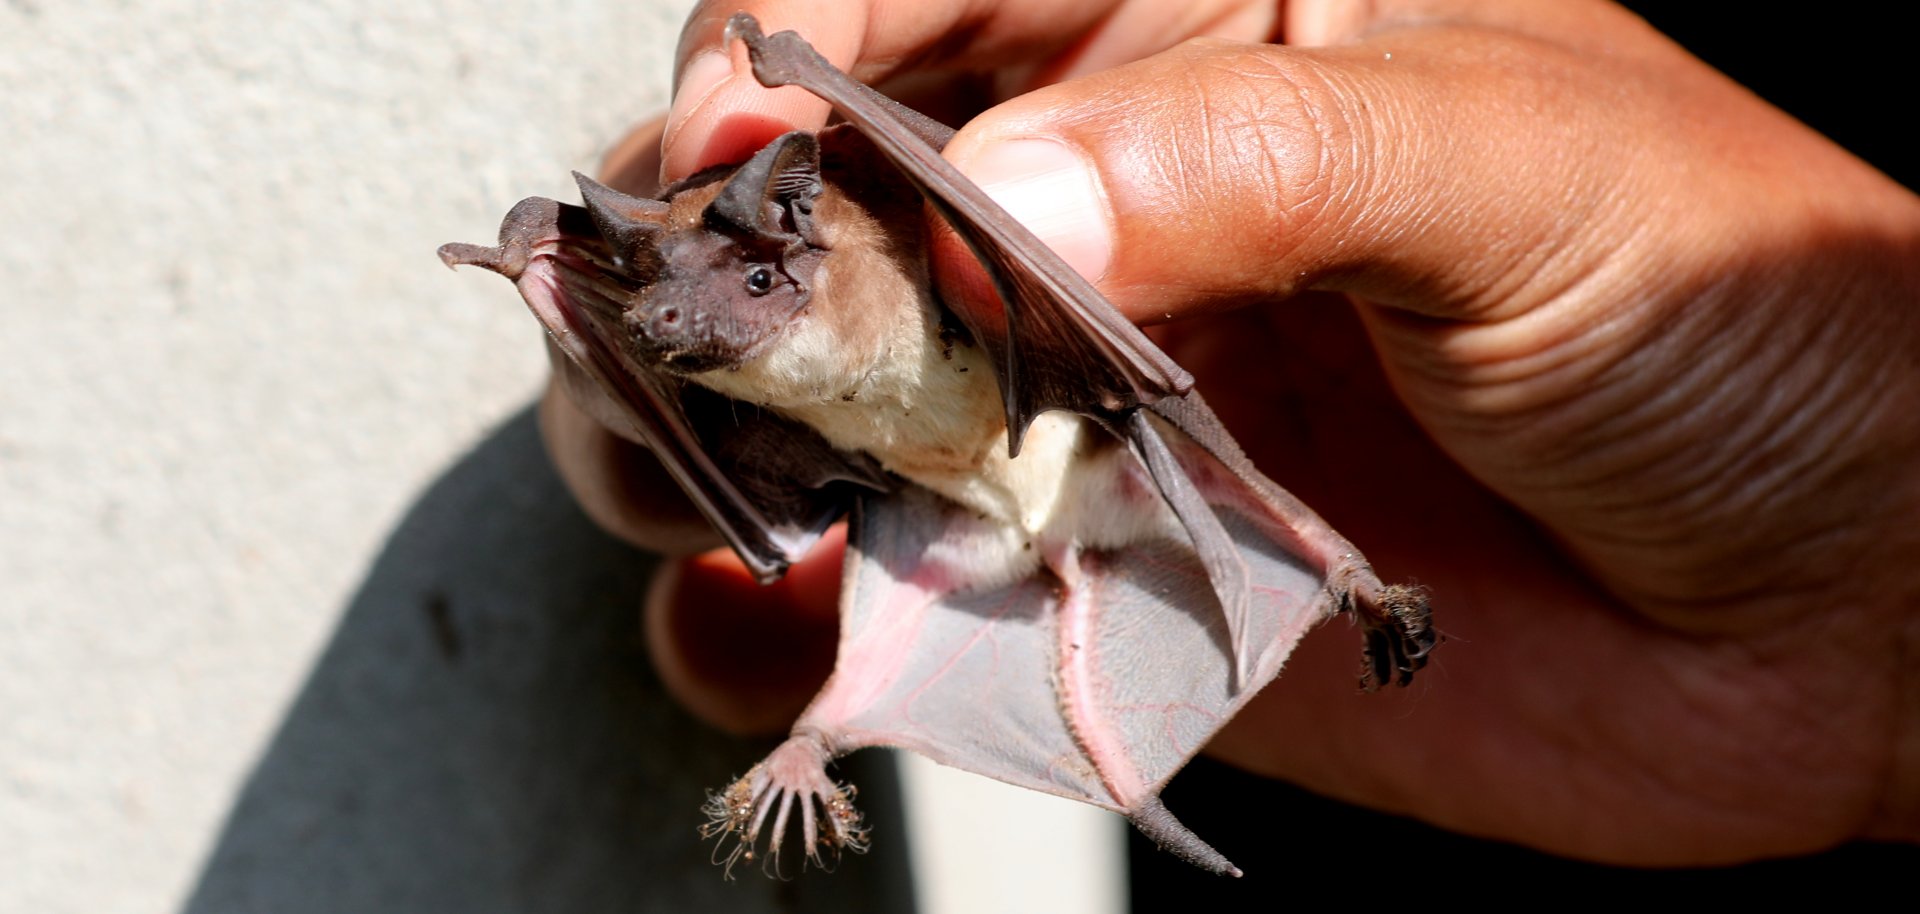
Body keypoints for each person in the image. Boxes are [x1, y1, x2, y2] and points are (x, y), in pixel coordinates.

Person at [541, 0, 1919, 867]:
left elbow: (1152, 395)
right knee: (854, 572)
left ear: (790, 227)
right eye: (672, 306)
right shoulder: (700, 335)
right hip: (939, 492)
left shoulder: (899, 249)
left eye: (749, 283)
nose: (698, 323)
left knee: (1158, 430)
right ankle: (820, 731)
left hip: (1048, 425)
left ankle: (1338, 565)